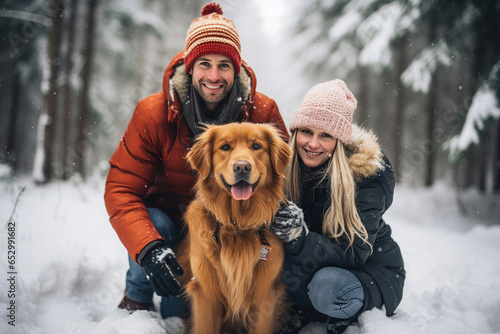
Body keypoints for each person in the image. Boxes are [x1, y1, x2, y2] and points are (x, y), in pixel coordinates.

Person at [104, 3, 289, 319]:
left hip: (223, 229)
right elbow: (121, 191)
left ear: (237, 69)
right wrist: (149, 248)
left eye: (224, 65)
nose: (214, 76)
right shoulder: (153, 113)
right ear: (190, 67)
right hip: (168, 221)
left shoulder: (262, 113)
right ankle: (136, 298)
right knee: (156, 226)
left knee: (178, 317)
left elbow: (281, 179)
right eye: (204, 64)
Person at [270, 79, 405, 333]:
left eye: (325, 136)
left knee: (327, 287)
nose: (313, 144)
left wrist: (299, 238)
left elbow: (353, 254)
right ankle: (303, 312)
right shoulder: (285, 170)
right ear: (295, 132)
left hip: (371, 273)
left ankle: (346, 316)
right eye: (306, 132)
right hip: (320, 267)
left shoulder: (364, 179)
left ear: (340, 140)